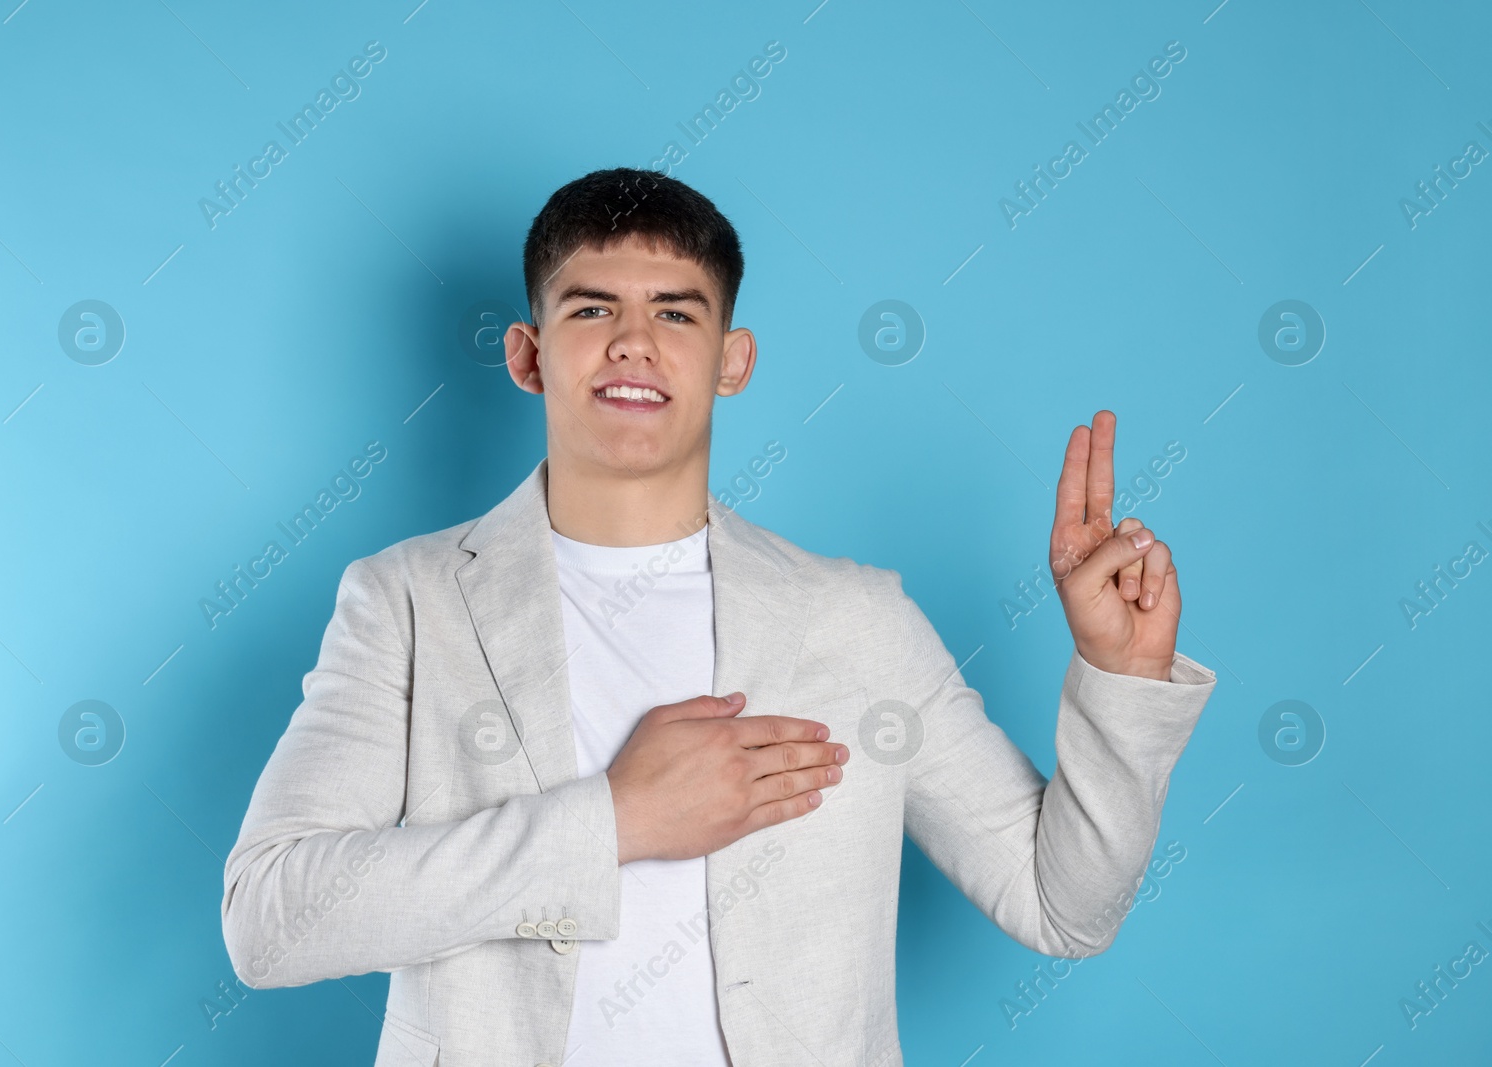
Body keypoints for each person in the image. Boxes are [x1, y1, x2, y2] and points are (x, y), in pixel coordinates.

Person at [221, 167, 1217, 1067]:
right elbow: (270, 919)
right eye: (591, 308)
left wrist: (1117, 677)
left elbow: (1062, 907)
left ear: (732, 358)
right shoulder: (406, 599)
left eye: (676, 313)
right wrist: (613, 819)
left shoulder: (857, 618)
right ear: (527, 354)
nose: (633, 341)